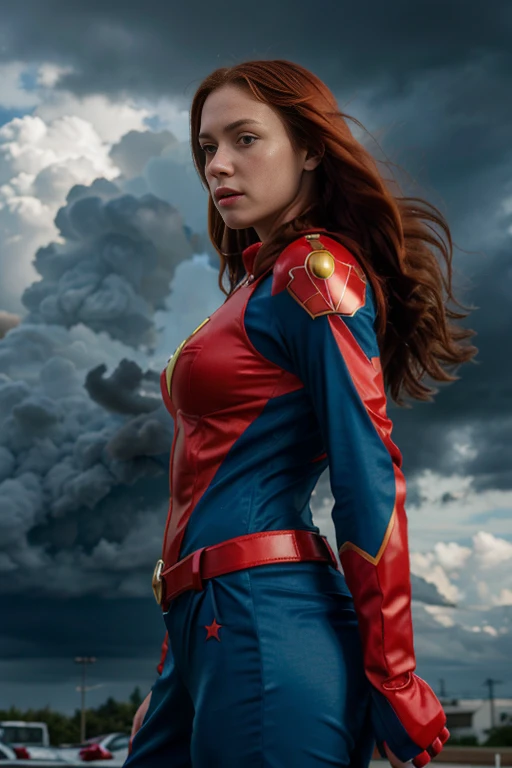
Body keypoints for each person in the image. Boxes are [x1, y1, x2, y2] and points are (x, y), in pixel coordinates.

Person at [124, 59, 477, 768]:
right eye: (206, 149)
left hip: (267, 624)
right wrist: (178, 655)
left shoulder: (315, 275)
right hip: (209, 629)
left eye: (244, 139)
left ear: (311, 148)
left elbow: (369, 474)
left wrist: (396, 676)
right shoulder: (252, 289)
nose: (218, 165)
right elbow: (199, 488)